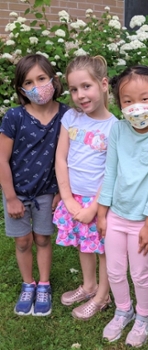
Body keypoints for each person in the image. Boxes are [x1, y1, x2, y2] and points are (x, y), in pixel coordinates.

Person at [97, 65, 148, 347]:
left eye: (144, 99)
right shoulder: (118, 130)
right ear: (119, 104)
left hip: (143, 220)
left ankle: (145, 316)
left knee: (139, 273)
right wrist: (102, 212)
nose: (136, 107)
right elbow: (111, 172)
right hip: (115, 215)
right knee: (115, 271)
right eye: (127, 101)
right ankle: (123, 310)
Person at [0, 54, 68, 316]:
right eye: (29, 82)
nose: (37, 86)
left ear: (53, 79)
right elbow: (2, 160)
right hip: (17, 193)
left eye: (41, 78)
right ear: (21, 90)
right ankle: (28, 283)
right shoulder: (14, 117)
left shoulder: (67, 115)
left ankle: (44, 284)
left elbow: (70, 158)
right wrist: (10, 197)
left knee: (42, 238)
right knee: (23, 242)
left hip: (47, 192)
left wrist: (62, 191)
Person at [53, 55, 117, 320]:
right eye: (74, 89)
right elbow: (60, 158)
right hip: (75, 198)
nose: (80, 95)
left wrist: (94, 208)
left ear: (103, 84)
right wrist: (68, 198)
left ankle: (103, 296)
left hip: (99, 202)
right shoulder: (71, 118)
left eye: (86, 86)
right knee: (84, 244)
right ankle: (89, 286)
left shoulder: (115, 127)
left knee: (103, 249)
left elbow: (113, 172)